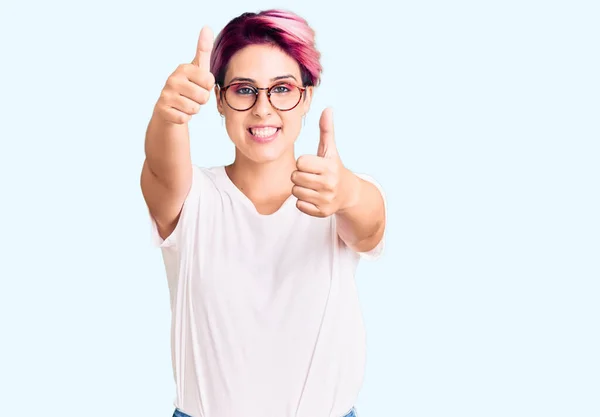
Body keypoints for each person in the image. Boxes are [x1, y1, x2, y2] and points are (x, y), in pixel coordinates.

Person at [141, 9, 387, 417]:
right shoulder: (192, 196)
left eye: (282, 88)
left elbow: (371, 224)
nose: (263, 108)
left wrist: (346, 192)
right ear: (219, 99)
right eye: (243, 90)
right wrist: (168, 117)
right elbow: (160, 171)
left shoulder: (334, 191)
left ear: (307, 96)